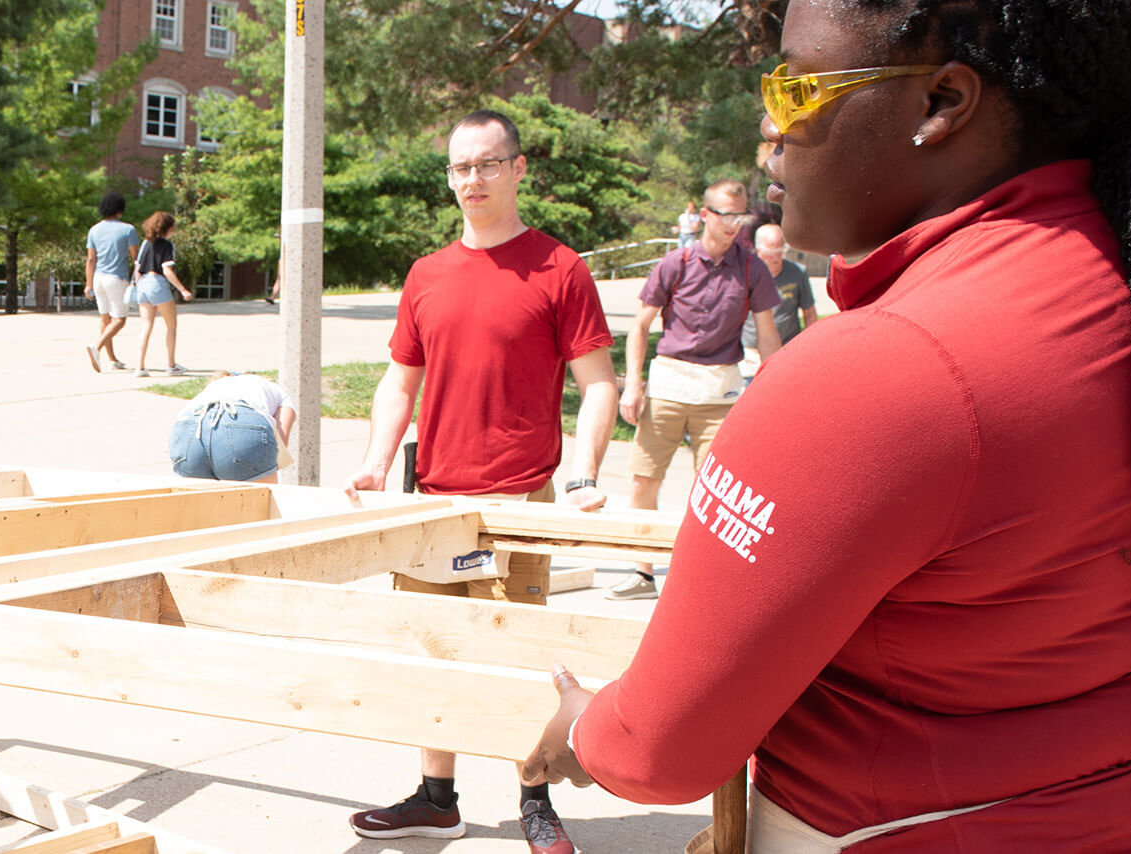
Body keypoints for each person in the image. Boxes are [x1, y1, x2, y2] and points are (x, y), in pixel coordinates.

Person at [522, 3, 1131, 851]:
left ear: (942, 103)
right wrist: (1095, 693)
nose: (771, 120)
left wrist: (585, 728)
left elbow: (657, 752)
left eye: (797, 83)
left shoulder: (873, 373)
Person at [345, 109, 619, 854]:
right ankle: (436, 798)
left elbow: (599, 384)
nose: (474, 179)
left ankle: (534, 795)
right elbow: (399, 384)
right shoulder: (426, 274)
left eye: (488, 164)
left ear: (518, 168)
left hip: (521, 503)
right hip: (434, 501)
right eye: (461, 167)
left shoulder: (559, 268)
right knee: (434, 652)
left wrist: (585, 474)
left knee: (522, 659)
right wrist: (376, 458)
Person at [609, 180, 783, 601]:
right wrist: (633, 385)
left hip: (719, 391)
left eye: (740, 216)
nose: (733, 224)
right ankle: (642, 572)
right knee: (643, 480)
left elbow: (767, 334)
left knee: (714, 492)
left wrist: (773, 386)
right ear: (704, 214)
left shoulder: (751, 267)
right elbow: (639, 324)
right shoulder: (677, 261)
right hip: (669, 383)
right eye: (725, 214)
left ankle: (699, 578)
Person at [167, 371, 296, 483]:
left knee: (200, 508)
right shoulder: (272, 388)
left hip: (190, 426)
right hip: (242, 422)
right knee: (260, 506)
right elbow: (281, 444)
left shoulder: (210, 389)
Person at [738, 223, 818, 379]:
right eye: (771, 251)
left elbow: (809, 313)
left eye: (781, 250)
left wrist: (810, 348)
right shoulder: (744, 274)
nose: (777, 256)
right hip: (750, 355)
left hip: (787, 351)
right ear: (758, 250)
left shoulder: (797, 273)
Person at [127, 211, 196, 377]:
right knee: (171, 326)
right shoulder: (167, 245)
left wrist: (140, 287)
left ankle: (140, 367)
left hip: (143, 284)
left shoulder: (145, 244)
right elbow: (167, 270)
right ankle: (171, 365)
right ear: (168, 228)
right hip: (157, 284)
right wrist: (183, 289)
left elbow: (138, 269)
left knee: (146, 326)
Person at [84, 193, 137, 372]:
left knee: (105, 319)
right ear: (120, 209)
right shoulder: (128, 229)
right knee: (120, 320)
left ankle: (112, 359)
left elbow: (90, 259)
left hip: (98, 278)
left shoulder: (94, 230)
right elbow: (135, 257)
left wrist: (88, 284)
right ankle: (96, 347)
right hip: (117, 278)